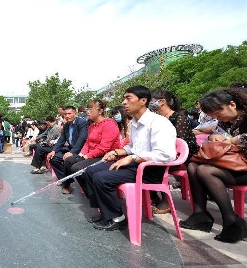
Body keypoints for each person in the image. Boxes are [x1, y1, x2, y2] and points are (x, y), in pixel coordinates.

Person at [84, 85, 176, 231]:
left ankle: (117, 218)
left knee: (101, 177)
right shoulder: (134, 123)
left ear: (143, 100)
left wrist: (133, 158)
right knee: (90, 171)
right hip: (135, 165)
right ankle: (104, 211)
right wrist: (117, 153)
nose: (124, 102)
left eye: (128, 98)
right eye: (124, 99)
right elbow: (132, 147)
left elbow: (166, 154)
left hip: (149, 170)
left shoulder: (159, 123)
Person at [179, 88, 247, 243]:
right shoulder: (224, 120)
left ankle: (231, 220)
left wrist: (232, 140)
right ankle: (200, 213)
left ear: (232, 104)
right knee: (193, 166)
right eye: (213, 115)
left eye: (218, 112)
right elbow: (214, 133)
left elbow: (233, 140)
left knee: (204, 170)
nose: (217, 117)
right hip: (233, 163)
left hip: (243, 166)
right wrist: (213, 136)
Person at [147, 90, 200, 214]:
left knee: (157, 166)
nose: (150, 104)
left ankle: (167, 201)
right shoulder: (158, 119)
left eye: (152, 101)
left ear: (162, 102)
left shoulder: (178, 117)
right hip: (167, 153)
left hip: (185, 156)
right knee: (144, 163)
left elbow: (180, 142)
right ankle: (153, 196)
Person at [63, 100, 121, 197]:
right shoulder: (92, 125)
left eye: (91, 109)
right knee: (69, 161)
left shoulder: (109, 124)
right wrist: (82, 154)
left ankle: (96, 195)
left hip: (106, 156)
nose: (88, 112)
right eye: (87, 109)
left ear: (100, 111)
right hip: (93, 155)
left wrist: (87, 156)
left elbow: (104, 147)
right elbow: (87, 143)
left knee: (77, 167)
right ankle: (91, 193)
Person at [47, 105, 89, 194]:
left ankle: (66, 185)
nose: (67, 116)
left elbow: (82, 139)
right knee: (53, 158)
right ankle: (66, 180)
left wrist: (72, 152)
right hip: (70, 148)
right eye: (65, 114)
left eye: (69, 113)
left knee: (68, 160)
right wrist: (54, 150)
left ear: (75, 114)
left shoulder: (82, 123)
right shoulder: (66, 125)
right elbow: (62, 139)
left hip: (81, 149)